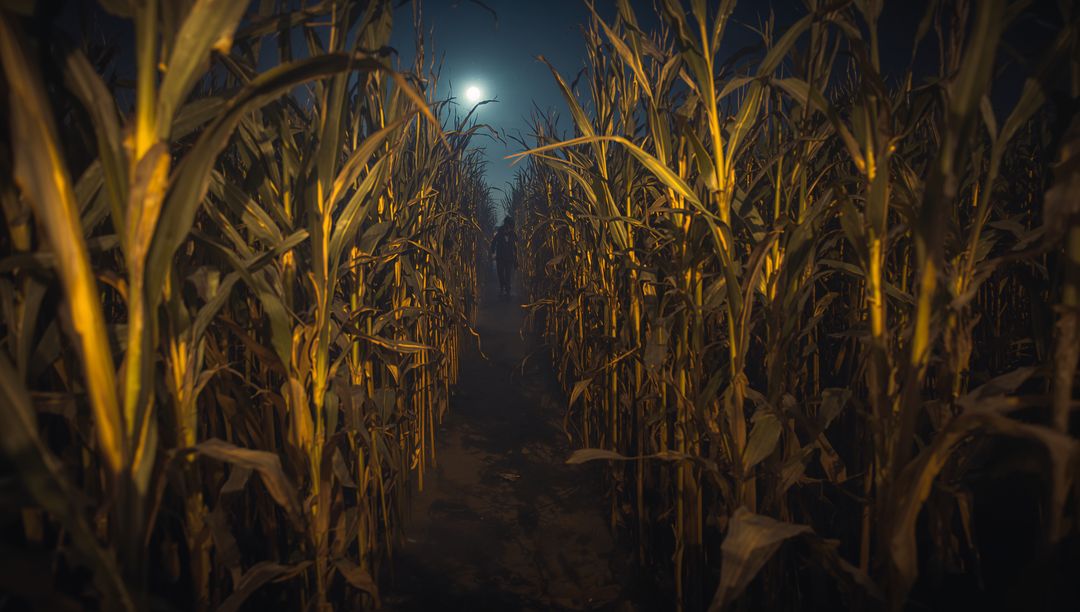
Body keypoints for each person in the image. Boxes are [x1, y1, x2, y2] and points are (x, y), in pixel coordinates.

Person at [490, 217, 518, 297]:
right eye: (507, 225)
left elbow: (516, 247)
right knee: (500, 274)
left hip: (509, 258)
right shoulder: (499, 233)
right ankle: (503, 286)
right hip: (500, 258)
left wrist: (516, 259)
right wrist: (492, 251)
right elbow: (493, 242)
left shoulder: (513, 234)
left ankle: (508, 290)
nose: (508, 227)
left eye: (510, 226)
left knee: (508, 274)